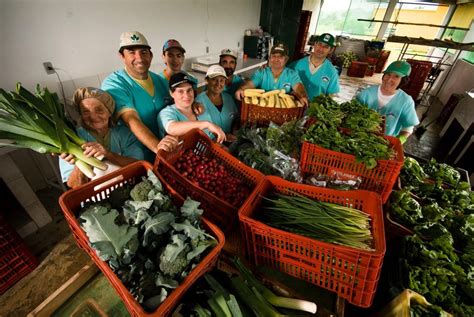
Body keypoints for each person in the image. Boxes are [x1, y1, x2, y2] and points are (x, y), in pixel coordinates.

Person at [101, 31, 178, 163]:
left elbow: (177, 108)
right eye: (131, 52)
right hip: (135, 157)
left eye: (143, 52)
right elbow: (130, 119)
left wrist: (194, 104)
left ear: (151, 55)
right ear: (122, 56)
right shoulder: (114, 83)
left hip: (167, 151)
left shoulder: (160, 81)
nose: (140, 58)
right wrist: (158, 147)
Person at [59, 87, 144, 188]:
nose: (93, 117)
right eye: (86, 111)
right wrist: (82, 161)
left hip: (127, 187)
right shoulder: (72, 139)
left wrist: (107, 154)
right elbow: (72, 185)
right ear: (80, 114)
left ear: (109, 111)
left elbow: (138, 165)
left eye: (99, 110)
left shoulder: (125, 133)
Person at [355, 60, 419, 143]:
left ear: (403, 80)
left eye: (396, 76)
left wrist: (398, 142)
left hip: (385, 143)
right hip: (359, 139)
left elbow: (408, 128)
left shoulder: (406, 101)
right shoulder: (366, 94)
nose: (389, 80)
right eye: (388, 74)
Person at [158, 72, 226, 143]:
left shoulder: (200, 108)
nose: (186, 95)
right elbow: (171, 128)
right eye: (180, 91)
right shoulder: (166, 113)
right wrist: (206, 124)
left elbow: (211, 136)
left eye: (189, 90)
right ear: (171, 93)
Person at [235, 43, 308, 107]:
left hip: (283, 112)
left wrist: (303, 96)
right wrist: (242, 89)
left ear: (286, 59)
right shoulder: (262, 72)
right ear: (269, 58)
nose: (276, 59)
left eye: (280, 57)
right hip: (261, 109)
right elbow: (251, 83)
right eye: (274, 56)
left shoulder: (291, 74)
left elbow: (298, 86)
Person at [289, 33, 340, 102]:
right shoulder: (295, 65)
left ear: (330, 50)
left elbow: (331, 95)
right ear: (314, 45)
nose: (321, 49)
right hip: (295, 107)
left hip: (315, 110)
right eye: (319, 44)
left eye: (326, 46)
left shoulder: (332, 72)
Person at [195, 65, 239, 136]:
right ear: (207, 80)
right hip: (208, 144)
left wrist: (234, 131)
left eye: (221, 80)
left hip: (229, 143)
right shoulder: (198, 102)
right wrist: (222, 136)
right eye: (214, 79)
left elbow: (236, 119)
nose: (218, 84)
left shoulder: (228, 98)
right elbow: (199, 128)